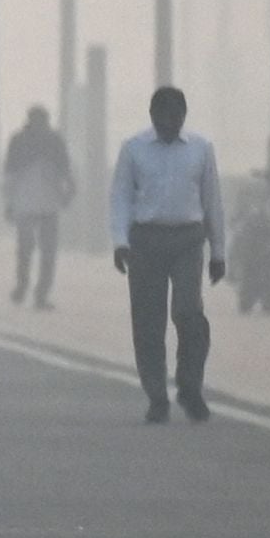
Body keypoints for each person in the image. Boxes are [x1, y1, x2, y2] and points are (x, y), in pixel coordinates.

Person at [107, 85, 227, 424]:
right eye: (164, 117)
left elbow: (212, 201)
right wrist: (120, 241)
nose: (171, 123)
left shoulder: (201, 149)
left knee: (189, 313)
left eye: (177, 117)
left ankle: (190, 386)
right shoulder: (134, 149)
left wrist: (218, 251)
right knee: (148, 321)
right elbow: (120, 198)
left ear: (184, 116)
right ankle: (156, 395)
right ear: (152, 116)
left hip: (188, 239)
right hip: (145, 240)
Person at [2, 105, 75, 309]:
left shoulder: (19, 141)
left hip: (25, 203)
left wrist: (9, 203)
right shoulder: (54, 141)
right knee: (47, 252)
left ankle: (23, 286)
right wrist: (68, 193)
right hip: (48, 204)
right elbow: (66, 172)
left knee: (26, 250)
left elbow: (10, 176)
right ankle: (39, 293)